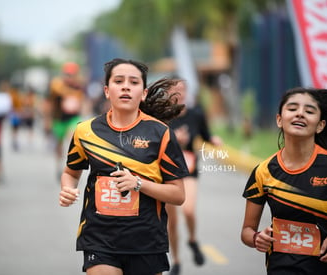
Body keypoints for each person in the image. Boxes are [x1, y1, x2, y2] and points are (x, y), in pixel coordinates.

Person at [59, 58, 188, 275]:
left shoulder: (160, 133)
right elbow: (70, 173)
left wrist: (138, 183)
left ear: (144, 93)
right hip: (99, 240)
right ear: (107, 91)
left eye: (134, 82)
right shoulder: (85, 131)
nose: (126, 86)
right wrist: (67, 188)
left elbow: (178, 194)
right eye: (119, 81)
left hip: (146, 242)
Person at [241, 87, 327, 274]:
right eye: (292, 108)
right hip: (281, 268)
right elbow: (247, 230)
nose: (300, 114)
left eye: (309, 111)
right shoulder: (263, 171)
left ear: (320, 125)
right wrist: (256, 238)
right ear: (279, 119)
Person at [162, 78, 222, 275]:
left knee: (188, 210)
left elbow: (205, 135)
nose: (179, 94)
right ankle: (176, 260)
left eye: (182, 89)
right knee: (171, 220)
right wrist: (173, 139)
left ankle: (193, 239)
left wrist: (213, 140)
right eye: (174, 90)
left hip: (189, 169)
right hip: (167, 171)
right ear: (167, 93)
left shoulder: (196, 114)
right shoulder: (161, 116)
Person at [48, 62, 85, 178]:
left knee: (72, 137)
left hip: (73, 118)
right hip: (59, 119)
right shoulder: (56, 84)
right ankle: (59, 165)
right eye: (67, 74)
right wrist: (47, 119)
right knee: (58, 144)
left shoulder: (78, 86)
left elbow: (81, 100)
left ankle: (69, 166)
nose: (69, 77)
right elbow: (51, 100)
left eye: (72, 75)